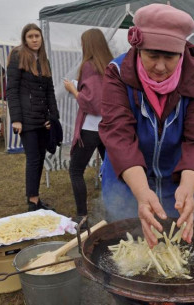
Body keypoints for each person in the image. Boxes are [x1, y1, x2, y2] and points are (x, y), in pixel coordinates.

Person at [99, 5, 194, 304]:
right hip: (128, 181)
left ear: (182, 53)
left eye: (171, 56)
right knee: (130, 272)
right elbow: (119, 134)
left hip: (180, 181)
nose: (162, 67)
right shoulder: (117, 73)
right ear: (137, 48)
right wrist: (141, 193)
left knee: (177, 264)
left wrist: (189, 189)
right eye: (153, 55)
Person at [7, 23, 60, 212]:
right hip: (26, 118)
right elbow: (12, 90)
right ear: (25, 39)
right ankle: (33, 201)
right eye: (30, 36)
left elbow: (50, 91)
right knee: (33, 159)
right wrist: (16, 119)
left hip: (42, 118)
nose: (34, 39)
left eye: (37, 36)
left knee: (41, 156)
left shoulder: (44, 60)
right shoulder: (17, 56)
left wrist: (53, 117)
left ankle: (35, 198)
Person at [63, 28, 112, 221]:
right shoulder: (111, 65)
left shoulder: (89, 66)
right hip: (108, 128)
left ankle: (82, 217)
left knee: (76, 171)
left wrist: (73, 90)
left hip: (89, 129)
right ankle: (113, 213)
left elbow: (92, 102)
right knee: (110, 173)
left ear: (88, 45)